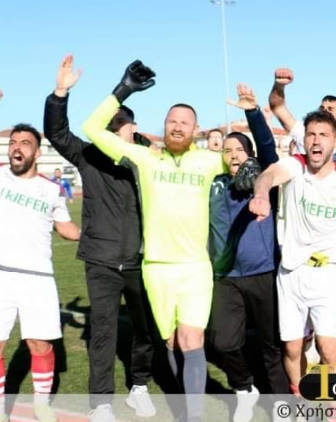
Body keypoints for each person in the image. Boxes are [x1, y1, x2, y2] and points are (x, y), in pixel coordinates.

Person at [83, 60, 225, 422]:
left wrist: (255, 121)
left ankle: (193, 417)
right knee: (173, 342)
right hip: (156, 270)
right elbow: (91, 128)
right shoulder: (145, 158)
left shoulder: (210, 162)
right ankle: (187, 405)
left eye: (185, 122)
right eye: (172, 120)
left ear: (196, 129)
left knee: (192, 339)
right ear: (164, 126)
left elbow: (253, 160)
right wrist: (124, 89)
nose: (177, 126)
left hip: (195, 269)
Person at [43, 54, 160, 421]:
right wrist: (60, 93)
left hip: (142, 259)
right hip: (101, 260)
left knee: (145, 329)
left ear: (133, 128)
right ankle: (102, 403)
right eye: (110, 123)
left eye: (121, 123)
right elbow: (57, 133)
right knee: (103, 332)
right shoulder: (88, 155)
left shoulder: (146, 159)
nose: (115, 127)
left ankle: (139, 387)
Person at [248, 110, 336, 393]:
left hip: (329, 273)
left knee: (329, 349)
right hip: (291, 273)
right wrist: (261, 195)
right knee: (292, 349)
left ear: (335, 141)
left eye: (323, 135)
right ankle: (300, 398)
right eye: (311, 134)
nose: (316, 141)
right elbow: (268, 175)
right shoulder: (295, 166)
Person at [207, 83, 287, 422]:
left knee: (270, 345)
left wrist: (253, 112)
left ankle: (281, 404)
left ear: (249, 153)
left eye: (239, 149)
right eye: (227, 150)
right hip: (226, 277)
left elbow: (267, 147)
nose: (234, 155)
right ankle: (243, 389)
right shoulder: (214, 182)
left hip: (263, 273)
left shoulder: (264, 177)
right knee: (223, 342)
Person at [0, 124, 80, 422]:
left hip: (39, 278)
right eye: (13, 142)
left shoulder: (52, 189)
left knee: (40, 344)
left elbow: (65, 227)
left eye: (24, 142)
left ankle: (41, 404)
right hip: (1, 275)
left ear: (37, 152)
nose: (16, 147)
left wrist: (94, 236)